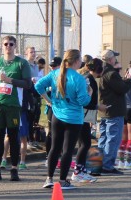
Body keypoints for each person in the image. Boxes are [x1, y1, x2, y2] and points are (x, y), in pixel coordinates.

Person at [34, 49, 90, 189]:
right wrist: (90, 92)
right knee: (67, 150)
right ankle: (63, 180)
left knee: (54, 147)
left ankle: (49, 178)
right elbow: (83, 101)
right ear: (76, 61)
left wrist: (48, 100)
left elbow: (38, 85)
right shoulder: (78, 78)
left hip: (57, 116)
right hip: (73, 119)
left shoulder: (55, 73)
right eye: (80, 60)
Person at [0, 35, 31, 181]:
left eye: (11, 44)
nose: (8, 46)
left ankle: (14, 169)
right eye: (5, 44)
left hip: (13, 105)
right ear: (2, 46)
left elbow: (27, 84)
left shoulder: (21, 63)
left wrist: (10, 80)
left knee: (13, 137)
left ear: (15, 46)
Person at [97, 49, 131, 175]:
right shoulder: (111, 74)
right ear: (111, 59)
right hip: (114, 111)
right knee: (113, 139)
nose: (116, 60)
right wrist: (129, 80)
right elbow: (122, 89)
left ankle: (99, 163)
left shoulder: (103, 72)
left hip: (106, 111)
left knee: (104, 139)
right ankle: (107, 165)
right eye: (114, 58)